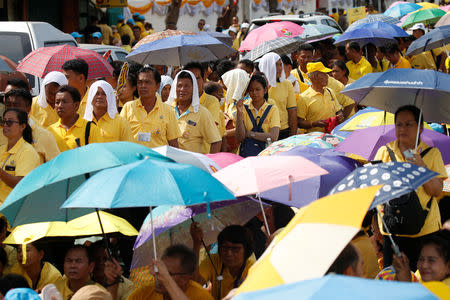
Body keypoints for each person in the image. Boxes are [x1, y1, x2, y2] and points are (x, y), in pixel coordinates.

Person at [374, 105, 447, 269]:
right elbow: (374, 192)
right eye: (399, 124)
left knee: (423, 283)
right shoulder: (384, 152)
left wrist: (421, 167)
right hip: (392, 229)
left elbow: (435, 191)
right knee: (394, 282)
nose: (402, 129)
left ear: (420, 128)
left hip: (425, 230)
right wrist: (376, 228)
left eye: (408, 124)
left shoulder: (432, 153)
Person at [120, 66, 180, 148]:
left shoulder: (168, 111)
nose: (143, 86)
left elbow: (173, 144)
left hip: (158, 159)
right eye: (140, 82)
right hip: (134, 159)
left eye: (147, 82)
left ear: (157, 86)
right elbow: (119, 138)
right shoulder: (128, 107)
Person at [191, 225, 254, 300]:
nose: (229, 253)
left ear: (247, 250)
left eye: (235, 249)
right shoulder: (213, 260)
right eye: (225, 247)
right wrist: (196, 245)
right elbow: (195, 283)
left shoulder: (253, 270)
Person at [127, 245, 213, 300]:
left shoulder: (201, 296)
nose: (159, 277)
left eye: (167, 273)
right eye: (159, 270)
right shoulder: (143, 294)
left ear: (185, 278)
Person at [167, 70, 222, 153]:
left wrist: (210, 161)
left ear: (194, 88)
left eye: (187, 86)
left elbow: (216, 141)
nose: (182, 89)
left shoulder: (202, 113)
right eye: (179, 86)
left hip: (191, 164)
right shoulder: (166, 109)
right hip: (166, 162)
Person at [4, 88, 60, 163]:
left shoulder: (44, 136)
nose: (11, 110)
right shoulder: (2, 134)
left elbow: (56, 167)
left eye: (16, 105)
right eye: (8, 105)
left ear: (28, 108)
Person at [0, 108, 40, 203]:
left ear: (22, 126)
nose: (5, 125)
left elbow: (21, 184)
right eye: (3, 121)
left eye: (9, 122)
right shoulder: (1, 149)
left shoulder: (27, 152)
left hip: (10, 211)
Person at [235, 74, 280, 157]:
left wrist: (250, 134)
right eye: (251, 90)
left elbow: (273, 137)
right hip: (246, 154)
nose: (254, 93)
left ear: (265, 90)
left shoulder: (273, 109)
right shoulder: (243, 108)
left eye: (258, 89)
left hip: (266, 155)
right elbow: (240, 138)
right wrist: (239, 114)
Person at [47, 85, 103, 151]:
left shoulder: (90, 129)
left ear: (76, 105)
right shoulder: (50, 131)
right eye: (57, 102)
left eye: (64, 102)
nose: (60, 106)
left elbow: (97, 156)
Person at [184, 62, 222, 153]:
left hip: (202, 156)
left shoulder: (212, 101)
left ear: (204, 79)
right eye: (190, 78)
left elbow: (213, 135)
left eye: (197, 78)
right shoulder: (175, 102)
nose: (194, 82)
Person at [259, 52, 297, 139]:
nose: (280, 68)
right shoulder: (257, 85)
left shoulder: (286, 84)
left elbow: (292, 111)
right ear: (267, 66)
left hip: (283, 131)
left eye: (281, 65)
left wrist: (293, 137)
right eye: (276, 65)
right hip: (262, 133)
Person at [297, 62, 343, 133]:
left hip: (333, 133)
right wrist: (313, 124)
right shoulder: (303, 98)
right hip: (316, 138)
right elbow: (299, 122)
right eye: (323, 74)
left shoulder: (329, 91)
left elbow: (338, 110)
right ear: (314, 77)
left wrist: (340, 115)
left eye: (326, 74)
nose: (327, 77)